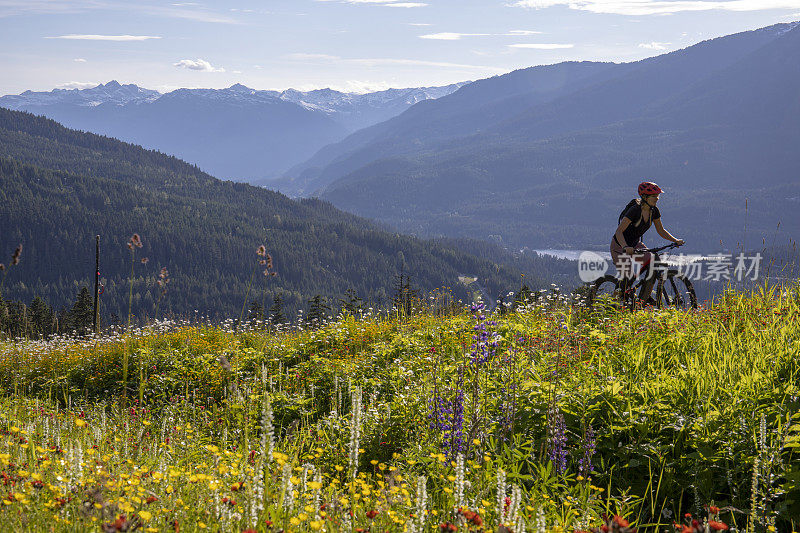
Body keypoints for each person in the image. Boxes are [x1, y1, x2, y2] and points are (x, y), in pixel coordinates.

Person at [610, 181, 684, 305]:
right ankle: (613, 304)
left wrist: (675, 240)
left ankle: (644, 297)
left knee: (654, 261)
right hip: (619, 247)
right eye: (654, 196)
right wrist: (625, 247)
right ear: (644, 197)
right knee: (628, 276)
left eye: (657, 196)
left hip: (635, 245)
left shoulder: (654, 211)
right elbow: (619, 232)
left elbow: (661, 230)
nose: (657, 198)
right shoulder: (634, 211)